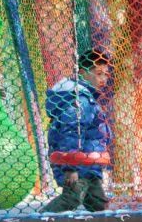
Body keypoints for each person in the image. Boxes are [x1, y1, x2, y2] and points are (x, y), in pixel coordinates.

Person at [44, 49, 112, 213]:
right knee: (71, 198)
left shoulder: (86, 97)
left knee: (97, 202)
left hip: (89, 163)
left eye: (105, 74)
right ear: (82, 73)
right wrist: (70, 167)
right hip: (78, 163)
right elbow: (70, 132)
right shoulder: (80, 99)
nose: (103, 79)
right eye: (98, 73)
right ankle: (40, 221)